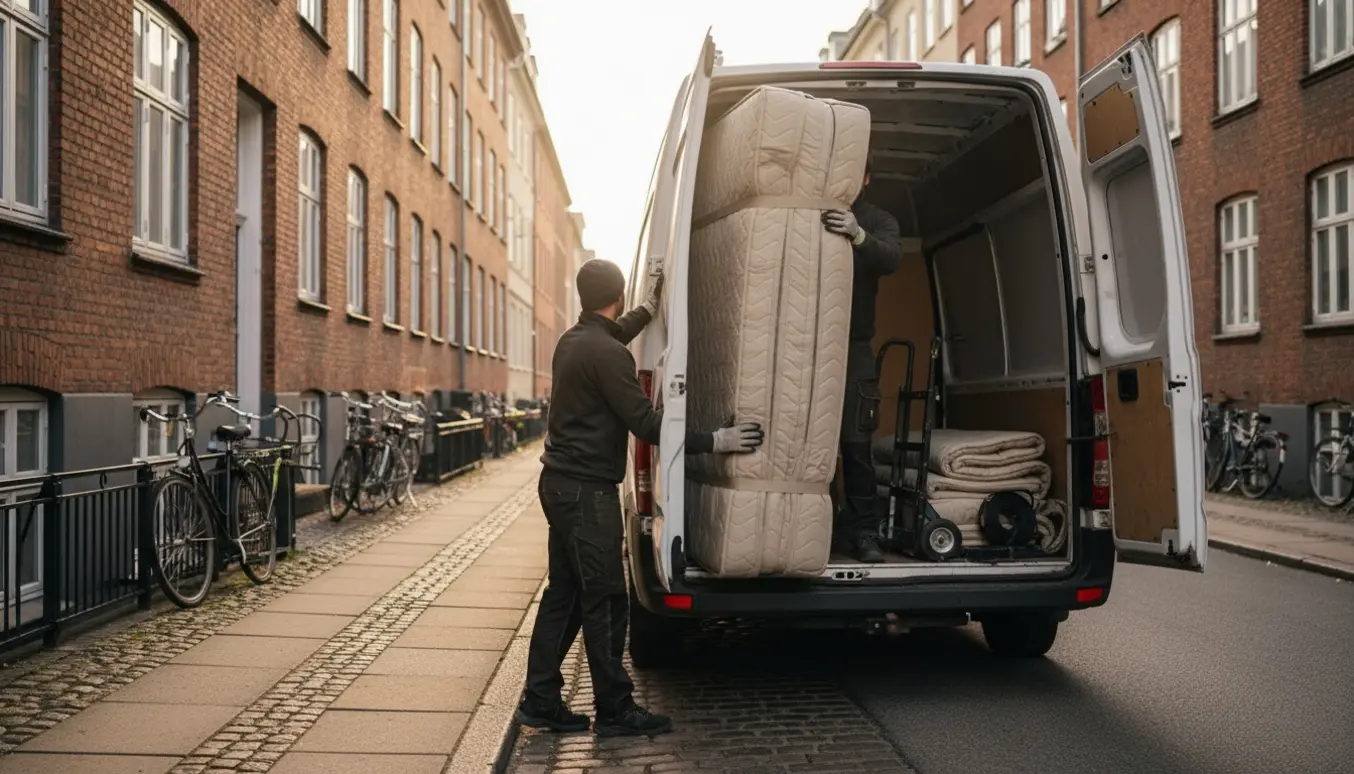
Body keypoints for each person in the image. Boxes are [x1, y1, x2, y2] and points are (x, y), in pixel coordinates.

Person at [517, 258, 765, 737]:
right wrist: (716, 441)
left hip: (560, 486)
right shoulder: (610, 355)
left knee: (564, 597)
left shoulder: (573, 341)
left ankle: (541, 698)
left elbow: (611, 335)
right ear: (618, 295)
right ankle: (615, 709)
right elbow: (647, 425)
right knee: (606, 600)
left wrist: (648, 309)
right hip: (587, 493)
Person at [822, 161, 902, 563]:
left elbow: (891, 258)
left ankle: (864, 533)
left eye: (858, 172)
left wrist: (857, 235)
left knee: (856, 447)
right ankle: (816, 530)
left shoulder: (876, 220)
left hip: (853, 347)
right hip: (807, 347)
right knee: (810, 445)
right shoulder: (811, 211)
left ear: (867, 178)